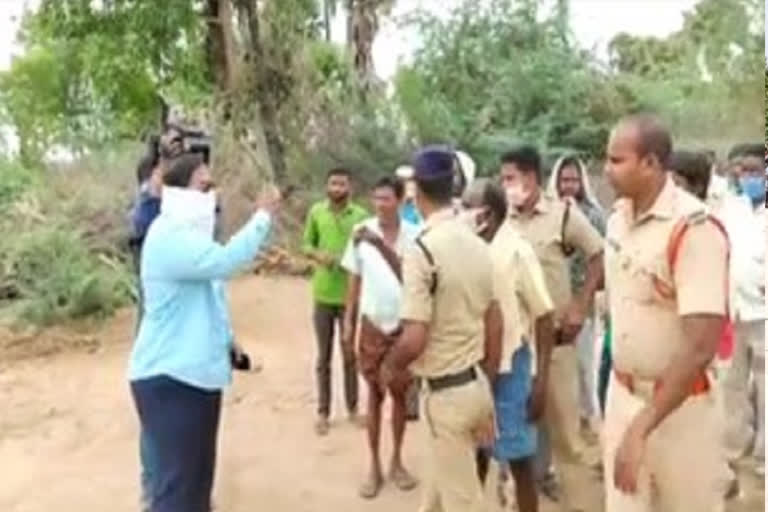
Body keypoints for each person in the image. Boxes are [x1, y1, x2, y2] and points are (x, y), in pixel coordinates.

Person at [129, 153, 281, 512]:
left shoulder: (188, 240)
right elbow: (226, 262)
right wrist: (262, 217)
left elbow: (210, 296)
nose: (212, 195)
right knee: (178, 490)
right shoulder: (167, 236)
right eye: (204, 186)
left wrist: (228, 342)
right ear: (180, 192)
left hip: (192, 377)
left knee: (195, 487)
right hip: (171, 378)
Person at [602, 114, 729, 512]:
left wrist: (643, 426)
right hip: (623, 395)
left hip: (680, 411)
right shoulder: (616, 221)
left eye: (617, 160)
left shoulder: (694, 230)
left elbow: (699, 345)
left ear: (652, 164)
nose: (606, 170)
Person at [379, 145, 503, 512]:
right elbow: (493, 321)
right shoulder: (478, 242)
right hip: (474, 383)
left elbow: (415, 337)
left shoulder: (423, 250)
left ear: (416, 190)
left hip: (445, 394)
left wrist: (391, 365)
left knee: (463, 502)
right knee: (436, 495)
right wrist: (487, 385)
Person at [500, 146, 604, 510]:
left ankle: (575, 498)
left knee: (565, 436)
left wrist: (580, 304)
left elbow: (599, 254)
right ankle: (519, 498)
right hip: (513, 347)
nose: (506, 185)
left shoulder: (563, 216)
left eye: (510, 178)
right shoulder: (501, 218)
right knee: (516, 433)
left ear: (530, 178)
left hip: (556, 344)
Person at [463, 179, 556, 512]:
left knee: (519, 461)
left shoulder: (517, 251)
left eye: (467, 206)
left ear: (486, 213)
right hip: (472, 369)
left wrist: (541, 381)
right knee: (474, 457)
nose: (461, 212)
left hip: (510, 370)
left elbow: (544, 316)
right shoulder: (467, 247)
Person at [340, 176, 421, 499]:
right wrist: (348, 321)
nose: (380, 204)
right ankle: (373, 465)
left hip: (403, 329)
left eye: (387, 198)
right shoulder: (361, 233)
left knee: (400, 396)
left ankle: (397, 460)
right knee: (373, 396)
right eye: (376, 198)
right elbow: (354, 281)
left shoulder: (416, 236)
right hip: (372, 326)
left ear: (401, 200)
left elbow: (418, 282)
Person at [302, 168, 368, 435]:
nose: (337, 187)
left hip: (350, 297)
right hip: (322, 295)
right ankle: (323, 412)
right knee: (323, 357)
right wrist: (320, 255)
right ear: (326, 186)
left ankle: (353, 409)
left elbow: (368, 250)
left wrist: (350, 257)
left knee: (350, 354)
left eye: (342, 183)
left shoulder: (361, 216)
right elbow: (306, 244)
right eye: (333, 183)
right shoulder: (317, 212)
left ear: (349, 187)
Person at [547, 155, 607, 442]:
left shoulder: (594, 214)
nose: (568, 185)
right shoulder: (547, 215)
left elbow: (602, 255)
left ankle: (586, 418)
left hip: (582, 301)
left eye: (573, 180)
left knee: (584, 364)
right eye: (564, 180)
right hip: (552, 301)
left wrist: (584, 301)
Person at [718, 143, 766, 478]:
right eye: (742, 170)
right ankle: (732, 451)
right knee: (730, 385)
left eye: (754, 170)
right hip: (732, 309)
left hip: (764, 313)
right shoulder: (728, 208)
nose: (748, 176)